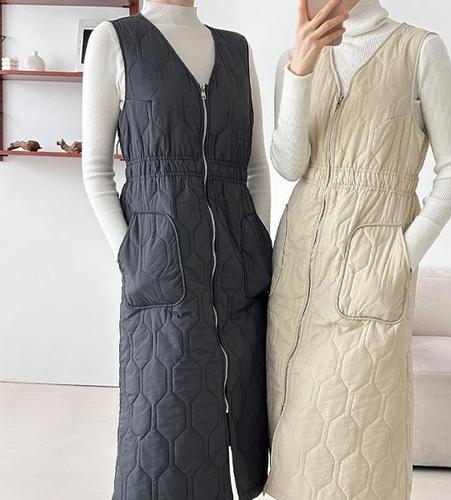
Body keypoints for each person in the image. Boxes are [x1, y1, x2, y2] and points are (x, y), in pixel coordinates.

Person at [265, 0, 451, 499]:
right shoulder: (292, 59)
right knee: (293, 437)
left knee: (360, 436)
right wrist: (300, 69)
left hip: (371, 272)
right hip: (297, 267)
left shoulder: (419, 49)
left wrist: (398, 259)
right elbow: (290, 166)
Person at [81, 1, 272, 499]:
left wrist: (253, 240)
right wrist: (135, 256)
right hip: (161, 271)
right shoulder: (115, 40)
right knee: (162, 423)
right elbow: (96, 170)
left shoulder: (236, 49)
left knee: (241, 413)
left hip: (238, 270)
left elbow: (255, 169)